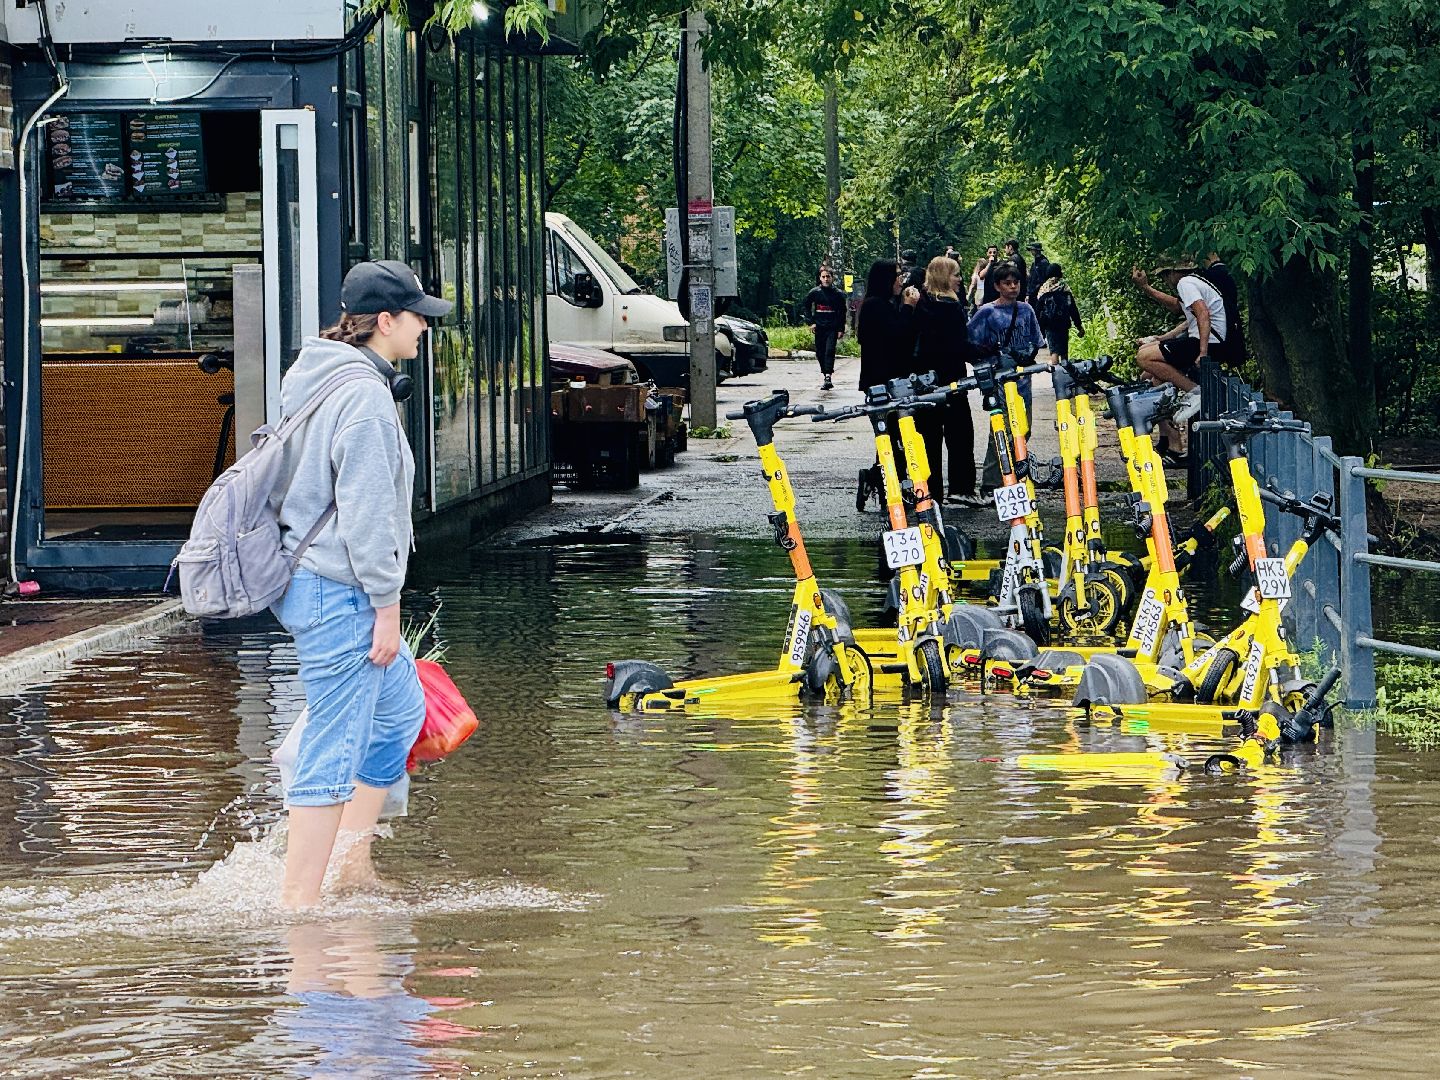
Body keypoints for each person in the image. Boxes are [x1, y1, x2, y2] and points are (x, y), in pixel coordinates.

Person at [271, 259, 451, 909]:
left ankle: (351, 867)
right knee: (332, 741)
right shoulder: (366, 399)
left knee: (400, 712)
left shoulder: (315, 373)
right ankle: (299, 904)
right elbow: (369, 514)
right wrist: (385, 609)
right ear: (384, 322)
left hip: (313, 579)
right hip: (338, 589)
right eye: (417, 319)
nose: (424, 330)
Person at [969, 261, 1044, 492]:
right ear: (997, 286)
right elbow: (970, 343)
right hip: (999, 379)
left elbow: (1037, 341)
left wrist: (1026, 356)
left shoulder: (1026, 310)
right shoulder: (987, 312)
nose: (1013, 287)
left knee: (1024, 428)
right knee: (1000, 431)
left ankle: (1011, 470)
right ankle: (992, 482)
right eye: (1007, 283)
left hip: (1022, 380)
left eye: (1016, 282)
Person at [911, 255, 981, 505]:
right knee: (960, 434)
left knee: (928, 437)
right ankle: (961, 487)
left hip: (924, 379)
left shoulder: (920, 303)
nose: (960, 280)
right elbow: (959, 344)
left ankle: (931, 492)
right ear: (944, 277)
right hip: (951, 377)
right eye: (956, 274)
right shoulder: (951, 306)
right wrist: (986, 351)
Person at [1130, 260, 1226, 425]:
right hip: (1205, 339)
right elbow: (1179, 309)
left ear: (1173, 273)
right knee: (1151, 373)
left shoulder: (1185, 283)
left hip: (1210, 342)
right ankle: (1171, 441)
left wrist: (1203, 352)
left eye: (1165, 276)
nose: (1166, 281)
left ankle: (1196, 393)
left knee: (1144, 357)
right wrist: (1163, 338)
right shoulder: (1194, 282)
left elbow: (1203, 314)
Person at [857, 259, 920, 391]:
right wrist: (908, 306)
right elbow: (898, 333)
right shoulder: (874, 305)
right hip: (880, 378)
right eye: (897, 276)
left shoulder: (886, 302)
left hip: (890, 376)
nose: (900, 281)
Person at [800, 265, 847, 390]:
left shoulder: (838, 294)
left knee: (829, 351)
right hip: (819, 326)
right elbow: (806, 306)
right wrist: (811, 322)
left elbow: (842, 312)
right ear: (820, 278)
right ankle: (824, 372)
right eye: (823, 277)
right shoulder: (815, 292)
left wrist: (841, 329)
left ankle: (828, 376)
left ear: (832, 278)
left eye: (828, 277)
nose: (826, 279)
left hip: (832, 327)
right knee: (820, 352)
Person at [1033, 263, 1084, 363]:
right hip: (1063, 324)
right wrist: (1079, 326)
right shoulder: (1064, 289)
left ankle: (1056, 373)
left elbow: (1038, 310)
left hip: (1049, 325)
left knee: (1054, 351)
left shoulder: (1044, 289)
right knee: (1064, 351)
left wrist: (1038, 329)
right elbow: (1072, 309)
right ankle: (1066, 372)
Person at [970, 244, 1000, 311]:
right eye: (990, 252)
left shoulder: (1001, 264)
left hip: (998, 295)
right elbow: (981, 276)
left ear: (998, 253)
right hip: (986, 296)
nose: (992, 254)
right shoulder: (985, 264)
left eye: (994, 252)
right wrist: (989, 263)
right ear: (987, 254)